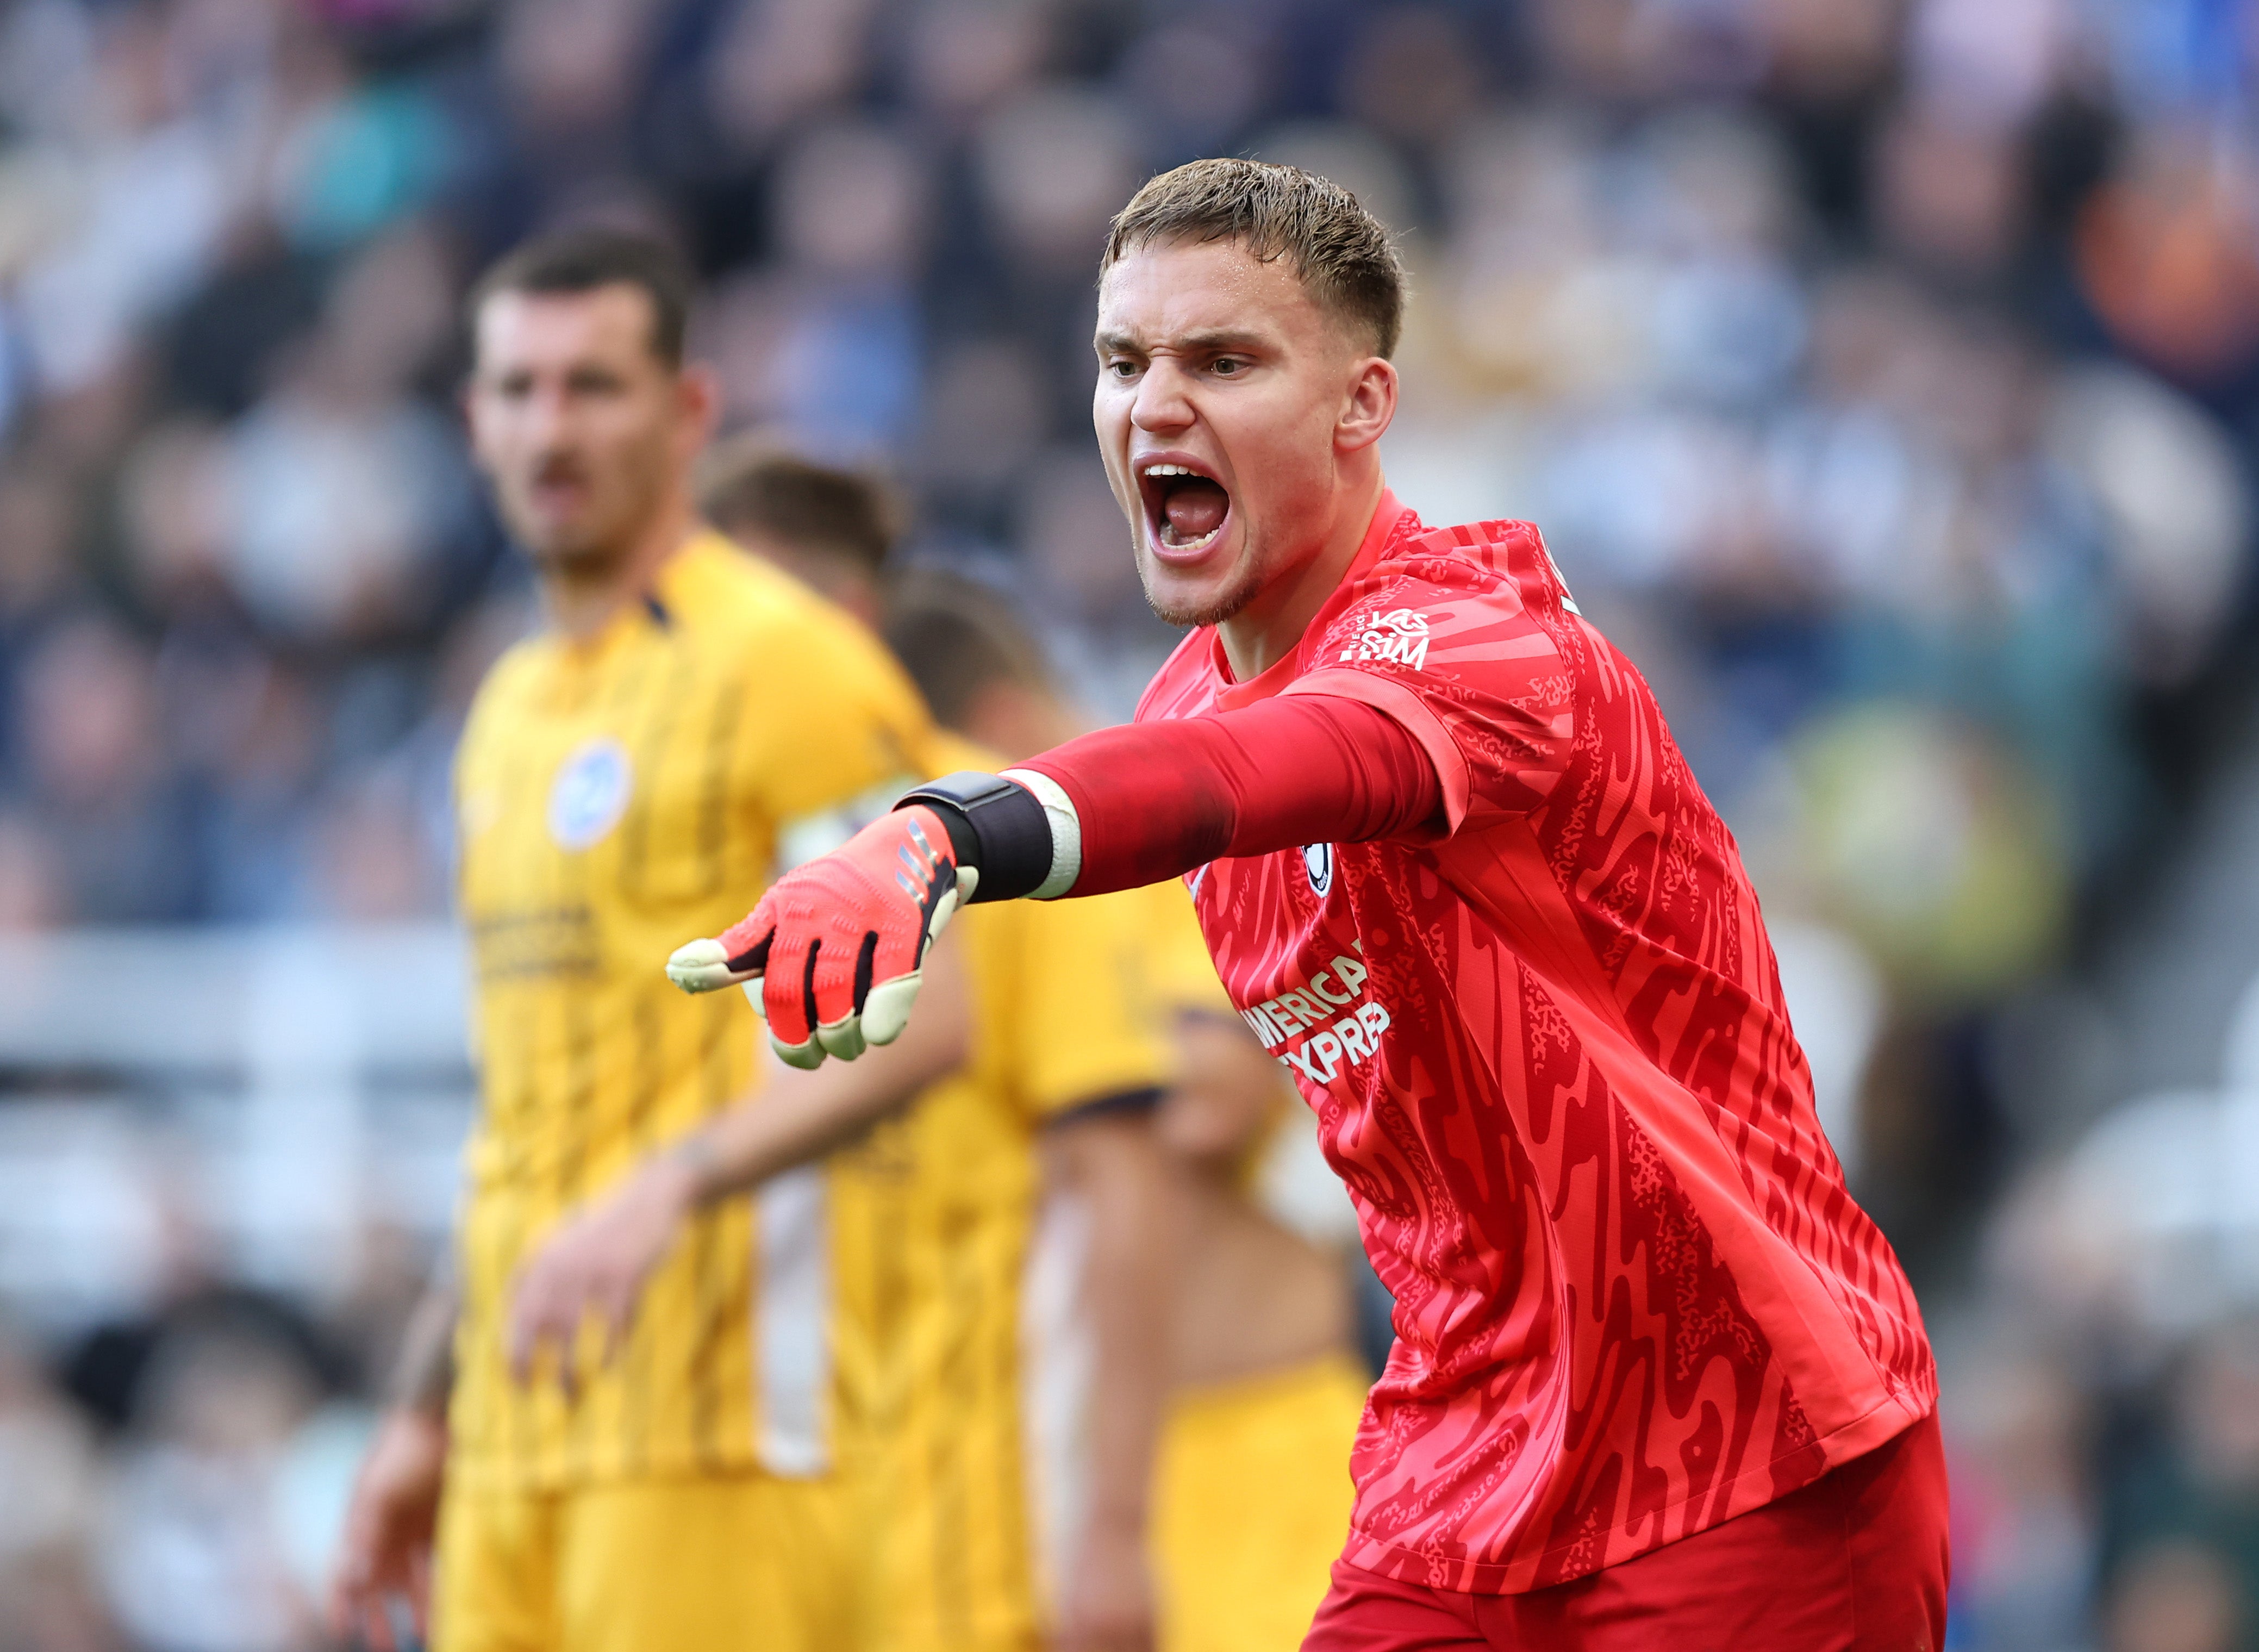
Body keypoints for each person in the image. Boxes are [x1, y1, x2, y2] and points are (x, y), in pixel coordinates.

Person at [667, 159, 1948, 1649]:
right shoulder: (1182, 704)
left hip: (1746, 1450)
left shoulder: (1474, 639)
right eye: (1122, 361)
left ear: (1361, 405)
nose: (1155, 405)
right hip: (1464, 1469)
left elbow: (1251, 773)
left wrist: (934, 837)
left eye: (1224, 360)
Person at [325, 228, 966, 1652]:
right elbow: (522, 1113)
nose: (553, 429)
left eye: (595, 386)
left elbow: (935, 1012)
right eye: (521, 389)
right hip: (512, 1442)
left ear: (687, 411)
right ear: (472, 421)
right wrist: (427, 1410)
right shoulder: (502, 713)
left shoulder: (795, 664)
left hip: (717, 1430)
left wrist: (663, 1189)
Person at [508, 443, 1179, 1652]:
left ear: (848, 621)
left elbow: (1119, 1184)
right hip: (722, 1512)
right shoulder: (688, 875)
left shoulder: (971, 837)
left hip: (945, 1534)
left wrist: (1112, 1526)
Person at [881, 571, 1373, 1652]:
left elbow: (1213, 1102)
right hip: (1047, 1458)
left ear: (993, 733)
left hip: (1253, 1454)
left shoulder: (1168, 842)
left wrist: (1074, 1047)